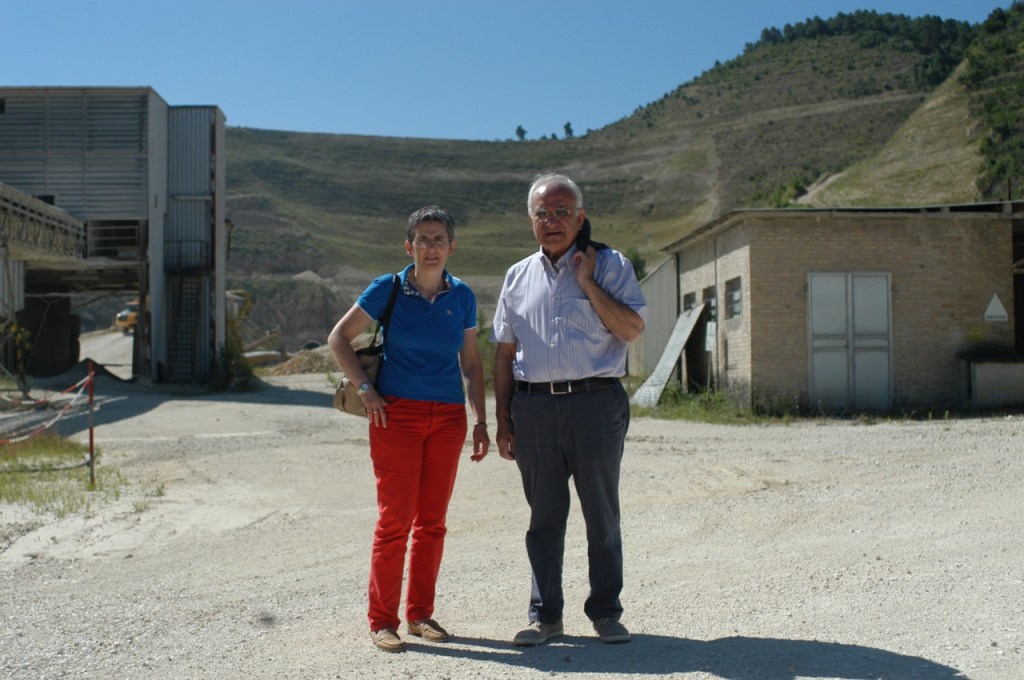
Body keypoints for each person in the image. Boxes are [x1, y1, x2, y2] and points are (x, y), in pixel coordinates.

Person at [491, 173, 648, 646]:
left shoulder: (610, 265)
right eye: (543, 213)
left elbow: (631, 329)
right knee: (543, 517)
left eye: (562, 212)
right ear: (531, 220)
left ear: (580, 218)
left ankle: (606, 612)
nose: (552, 221)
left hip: (595, 403)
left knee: (601, 514)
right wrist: (503, 419)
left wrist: (587, 282)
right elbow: (504, 353)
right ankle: (545, 616)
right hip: (534, 408)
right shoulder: (517, 276)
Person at [328, 205, 490, 653]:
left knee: (433, 523)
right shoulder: (389, 288)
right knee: (395, 522)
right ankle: (383, 620)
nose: (431, 247)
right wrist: (365, 390)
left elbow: (471, 364)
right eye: (422, 239)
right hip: (395, 416)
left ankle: (420, 615)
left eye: (439, 239)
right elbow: (339, 338)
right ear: (409, 246)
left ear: (452, 247)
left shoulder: (463, 296)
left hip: (448, 418)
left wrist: (480, 420)